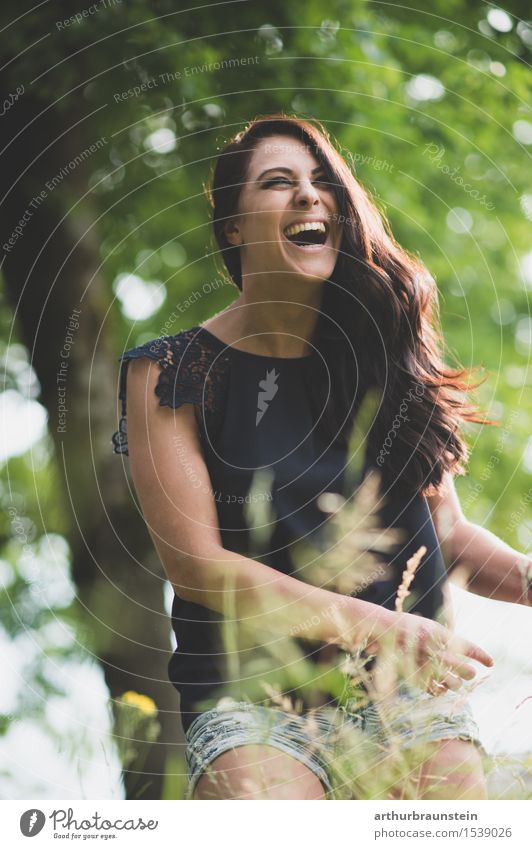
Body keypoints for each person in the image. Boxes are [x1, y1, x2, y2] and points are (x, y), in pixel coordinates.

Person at [112, 114, 531, 800]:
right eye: (279, 183)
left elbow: (447, 535)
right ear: (233, 228)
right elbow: (197, 567)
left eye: (322, 183)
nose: (310, 196)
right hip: (253, 699)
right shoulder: (170, 372)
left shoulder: (382, 358)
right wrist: (384, 626)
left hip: (407, 696)